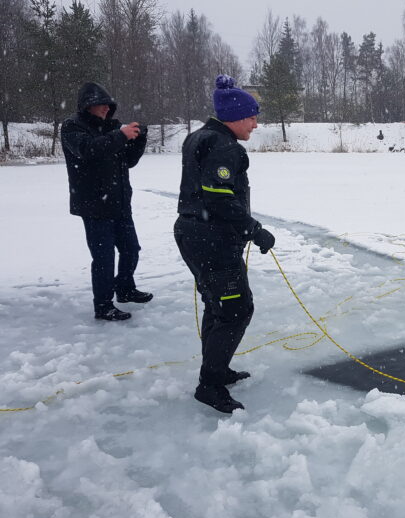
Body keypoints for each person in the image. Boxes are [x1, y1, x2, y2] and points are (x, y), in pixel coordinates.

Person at [174, 74, 275, 414]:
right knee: (235, 310)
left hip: (195, 232)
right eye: (252, 117)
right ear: (233, 116)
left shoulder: (200, 137)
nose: (255, 124)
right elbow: (218, 198)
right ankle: (210, 384)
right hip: (210, 237)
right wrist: (254, 229)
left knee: (219, 304)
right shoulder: (223, 146)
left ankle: (217, 369)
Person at [62, 82, 152, 321]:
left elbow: (128, 161)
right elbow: (88, 150)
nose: (104, 108)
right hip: (94, 205)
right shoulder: (73, 127)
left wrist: (139, 139)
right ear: (86, 106)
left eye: (107, 105)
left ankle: (125, 289)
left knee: (131, 249)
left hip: (120, 202)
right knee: (103, 258)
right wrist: (120, 135)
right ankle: (103, 305)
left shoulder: (112, 127)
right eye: (98, 104)